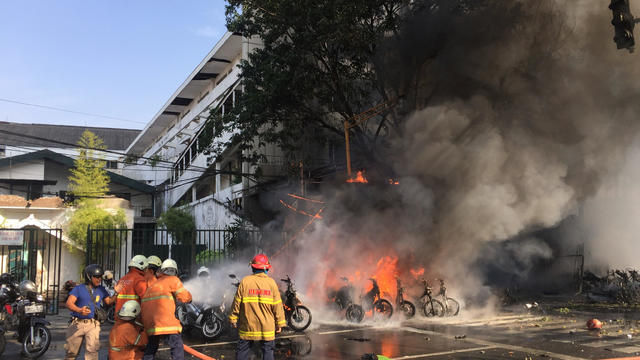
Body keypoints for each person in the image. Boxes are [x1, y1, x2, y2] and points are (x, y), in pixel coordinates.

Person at [229, 254, 286, 360]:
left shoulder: (245, 282)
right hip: (267, 327)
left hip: (248, 325)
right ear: (267, 268)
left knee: (243, 350)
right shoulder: (271, 283)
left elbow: (237, 302)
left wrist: (233, 318)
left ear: (252, 267)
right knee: (268, 351)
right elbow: (277, 305)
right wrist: (280, 323)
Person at [141, 258, 192, 360]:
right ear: (174, 271)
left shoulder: (154, 284)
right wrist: (190, 298)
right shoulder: (173, 279)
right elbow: (184, 296)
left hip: (150, 323)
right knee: (176, 345)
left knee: (151, 346)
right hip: (165, 321)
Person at [65, 264, 117, 360]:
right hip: (77, 324)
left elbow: (109, 302)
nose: (99, 279)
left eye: (100, 277)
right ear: (89, 276)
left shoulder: (101, 289)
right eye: (96, 277)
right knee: (71, 353)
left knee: (92, 352)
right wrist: (79, 310)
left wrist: (116, 293)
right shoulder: (78, 289)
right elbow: (69, 303)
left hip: (93, 324)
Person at [114, 255, 148, 320]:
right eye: (145, 268)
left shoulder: (122, 279)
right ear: (141, 267)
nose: (146, 270)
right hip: (133, 317)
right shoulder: (139, 279)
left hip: (119, 316)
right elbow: (145, 299)